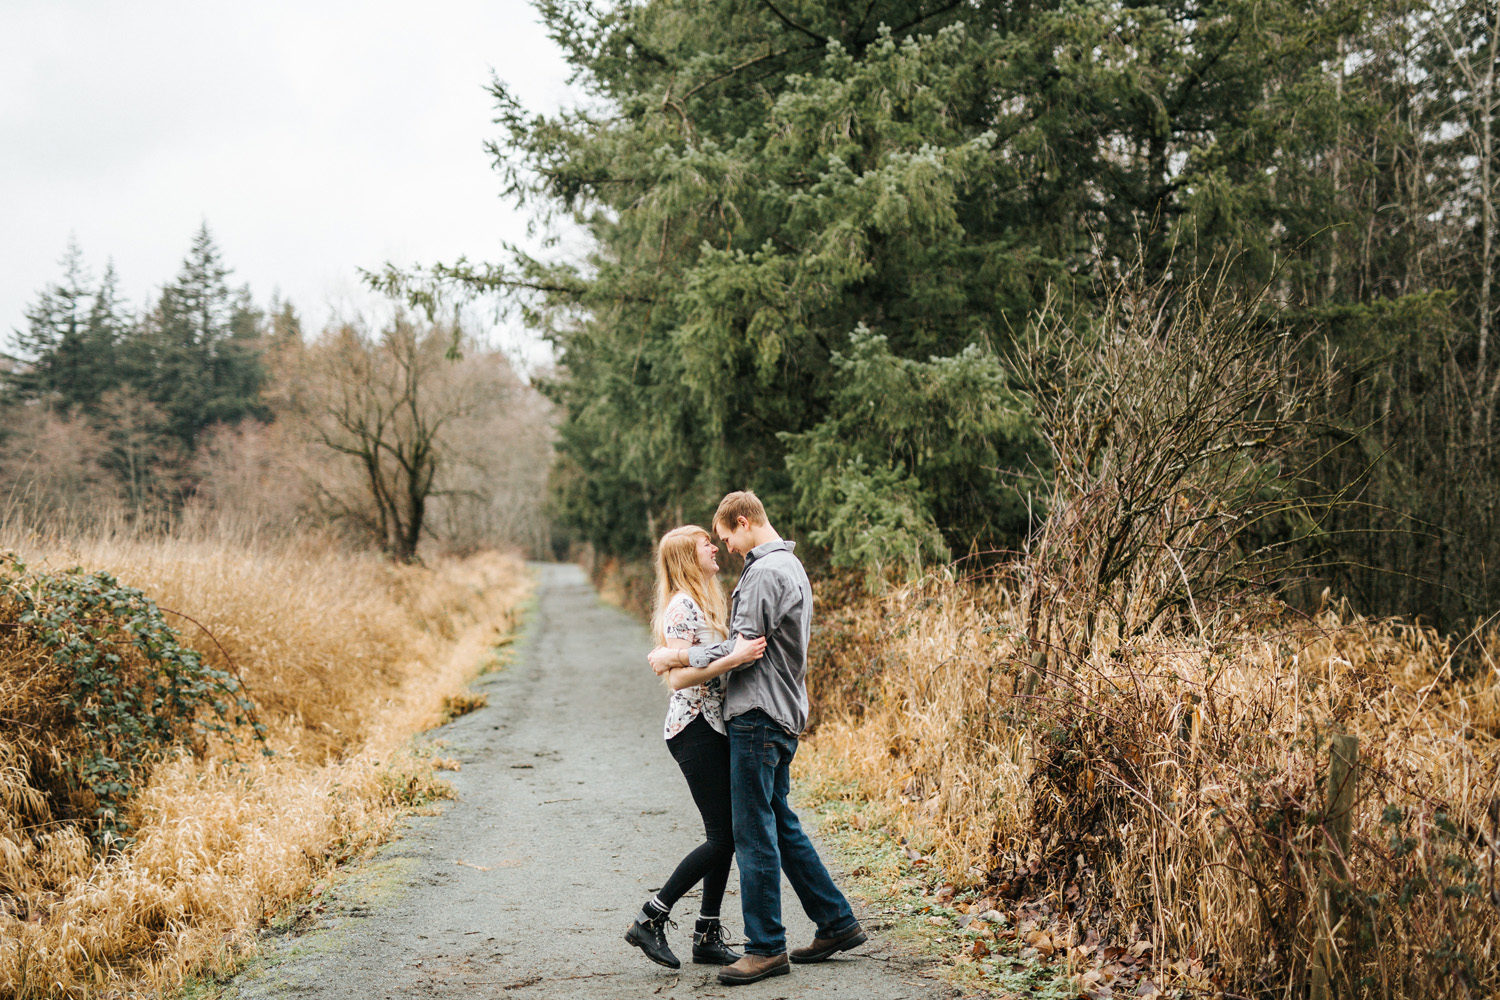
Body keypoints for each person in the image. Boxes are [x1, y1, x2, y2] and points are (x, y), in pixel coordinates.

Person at [649, 491, 866, 986]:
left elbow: (743, 647)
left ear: (743, 522)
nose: (724, 548)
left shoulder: (765, 572)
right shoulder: (791, 566)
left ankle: (766, 947)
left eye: (725, 537)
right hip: (783, 712)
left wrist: (673, 658)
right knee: (781, 823)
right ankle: (836, 921)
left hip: (757, 715)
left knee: (751, 832)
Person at [625, 525, 768, 970]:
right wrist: (734, 659)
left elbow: (690, 659)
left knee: (724, 837)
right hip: (693, 728)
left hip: (714, 726)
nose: (713, 547)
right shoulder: (681, 606)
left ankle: (706, 933)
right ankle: (651, 918)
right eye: (705, 542)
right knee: (722, 836)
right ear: (688, 555)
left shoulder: (708, 599)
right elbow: (678, 678)